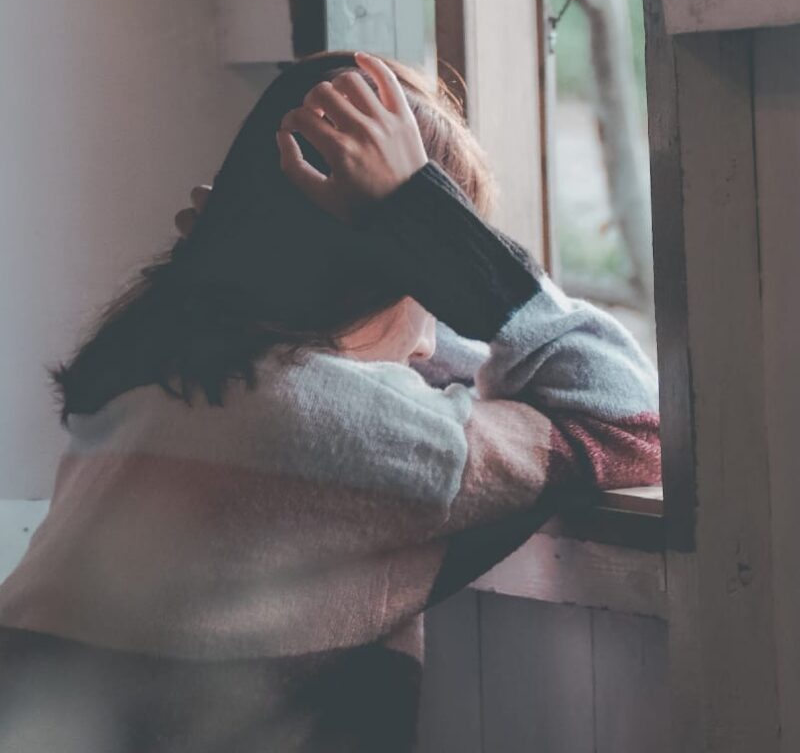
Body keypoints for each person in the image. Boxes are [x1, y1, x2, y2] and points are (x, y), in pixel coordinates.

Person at [0, 50, 660, 752]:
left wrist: (239, 258)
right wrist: (435, 232)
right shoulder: (352, 431)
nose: (434, 328)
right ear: (397, 274)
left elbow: (389, 362)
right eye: (429, 288)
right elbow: (628, 417)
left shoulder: (151, 375)